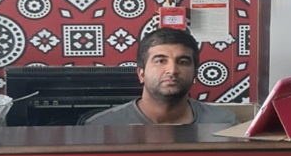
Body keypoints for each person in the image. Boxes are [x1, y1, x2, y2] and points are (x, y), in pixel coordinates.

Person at [83, 28, 237, 126]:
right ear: (141, 73)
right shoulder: (102, 126)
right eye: (160, 61)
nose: (172, 70)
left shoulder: (223, 123)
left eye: (183, 62)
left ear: (195, 73)